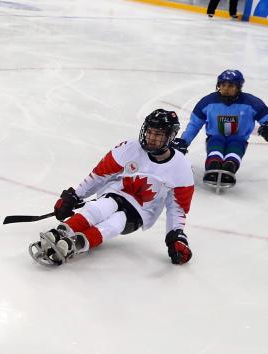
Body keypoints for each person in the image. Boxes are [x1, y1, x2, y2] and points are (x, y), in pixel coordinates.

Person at [29, 109, 195, 267]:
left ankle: (76, 244)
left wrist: (176, 237)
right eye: (149, 132)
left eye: (158, 134)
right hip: (115, 194)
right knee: (100, 207)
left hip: (139, 212)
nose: (151, 137)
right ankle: (63, 231)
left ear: (171, 136)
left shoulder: (181, 168)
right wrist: (74, 196)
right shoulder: (129, 148)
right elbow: (100, 175)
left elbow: (177, 208)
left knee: (116, 223)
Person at [173, 69, 268, 185]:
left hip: (238, 138)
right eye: (223, 85)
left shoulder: (252, 103)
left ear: (238, 87)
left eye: (230, 86)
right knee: (215, 147)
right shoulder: (207, 102)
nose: (225, 88)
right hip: (215, 137)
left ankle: (230, 166)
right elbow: (194, 125)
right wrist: (184, 141)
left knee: (235, 148)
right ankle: (213, 164)